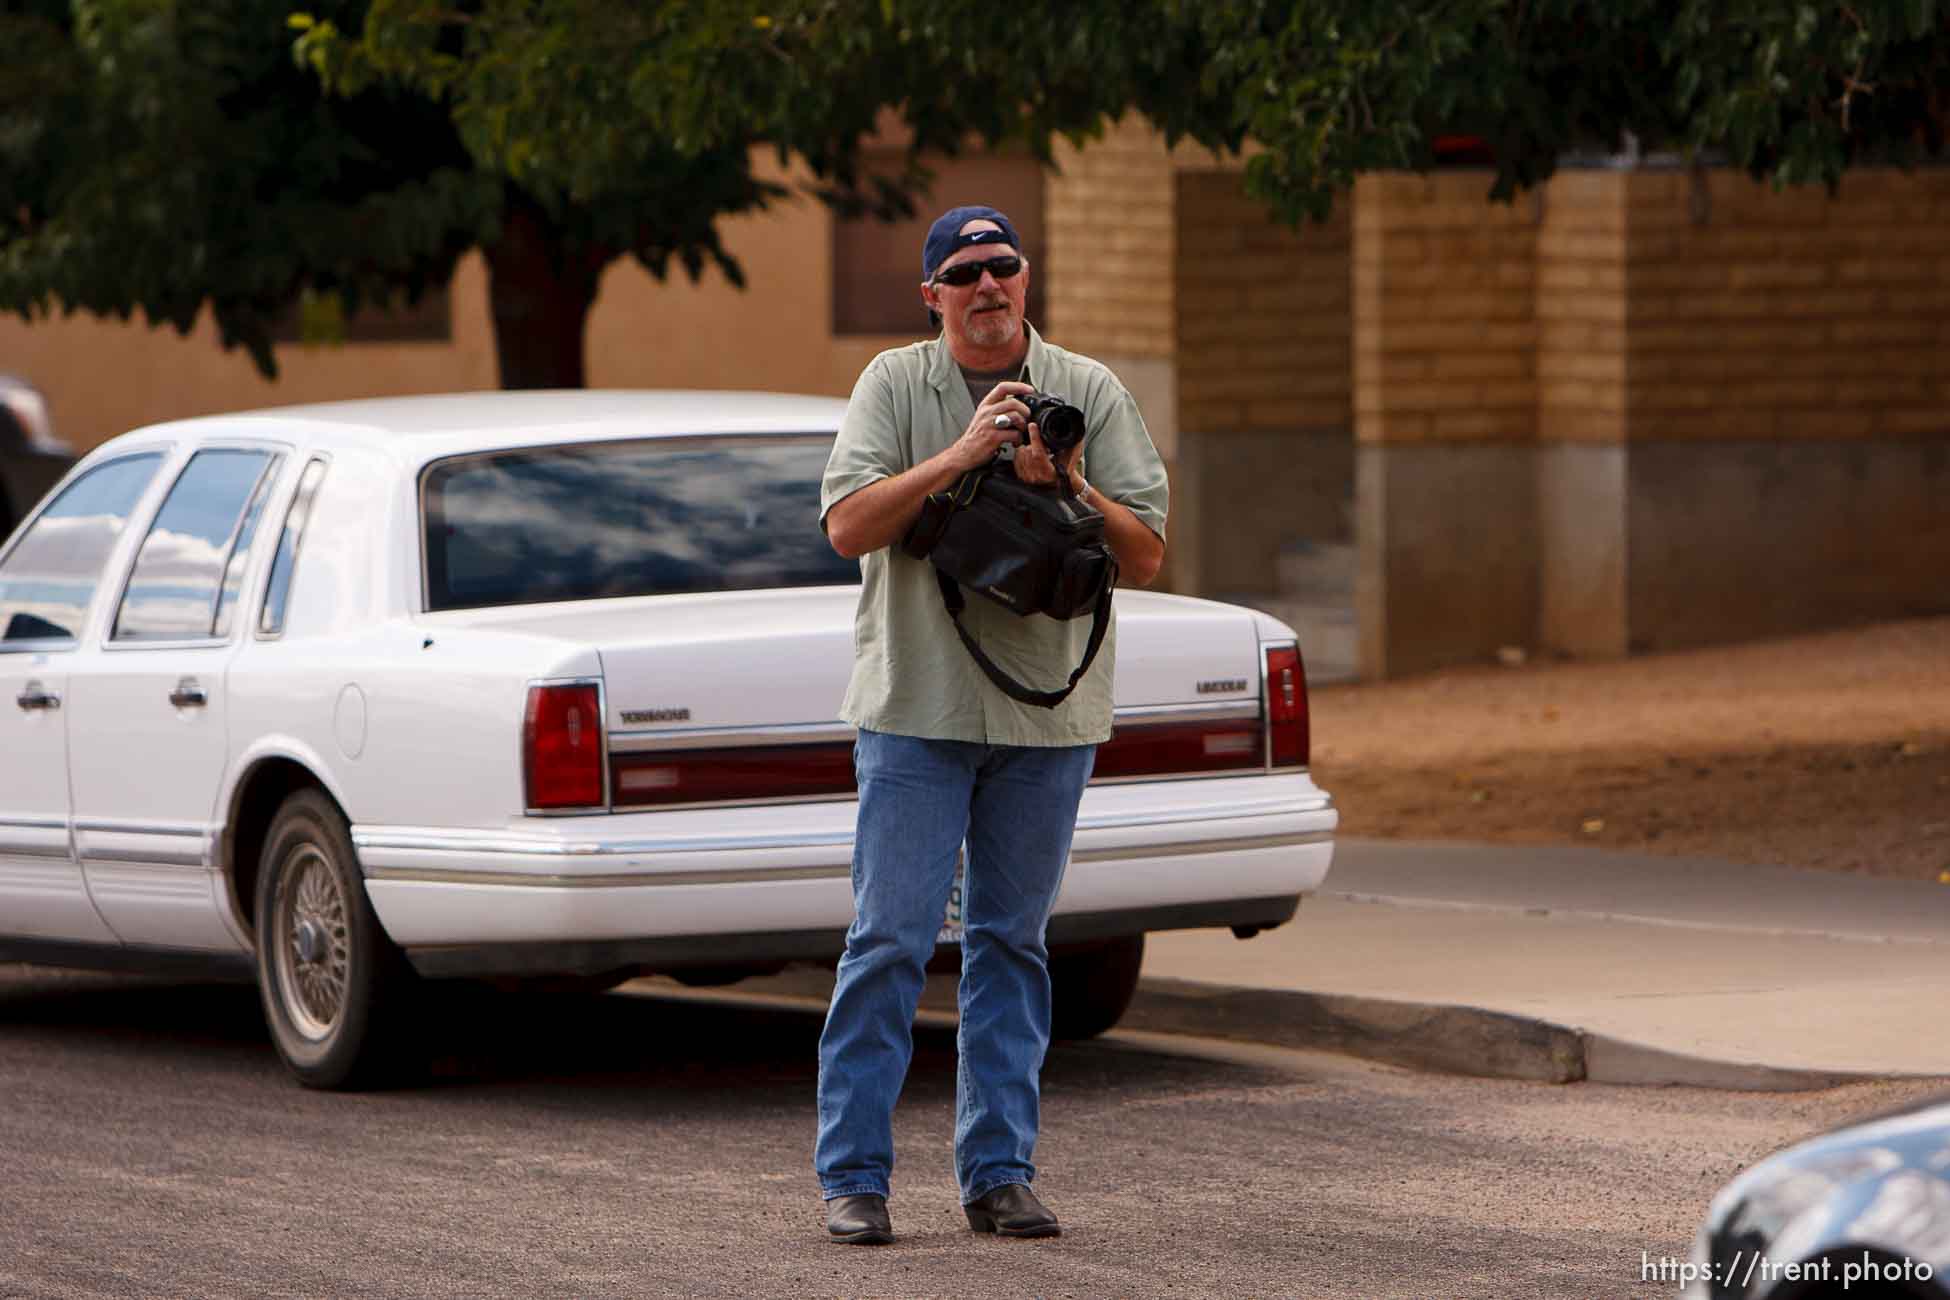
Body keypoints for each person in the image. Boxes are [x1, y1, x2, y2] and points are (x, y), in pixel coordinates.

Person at [814, 205, 1169, 1244]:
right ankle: (856, 1177)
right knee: (888, 944)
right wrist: (962, 453)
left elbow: (1145, 554)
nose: (986, 286)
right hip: (918, 709)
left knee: (1012, 945)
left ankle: (1000, 1173)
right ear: (933, 294)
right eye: (963, 272)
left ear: (1027, 278)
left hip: (1045, 721)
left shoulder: (1089, 391)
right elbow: (846, 524)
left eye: (1002, 267)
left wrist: (1067, 481)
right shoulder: (893, 384)